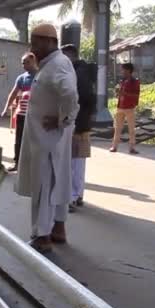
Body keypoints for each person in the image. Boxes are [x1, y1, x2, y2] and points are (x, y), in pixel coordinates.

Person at [16, 24, 79, 253]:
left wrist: (64, 119)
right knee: (58, 182)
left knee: (43, 185)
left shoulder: (57, 65)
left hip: (47, 139)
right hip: (51, 139)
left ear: (49, 41)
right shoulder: (50, 65)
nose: (32, 47)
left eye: (35, 42)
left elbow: (70, 94)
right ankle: (58, 229)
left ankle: (41, 236)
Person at [61, 44, 96, 210]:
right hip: (78, 122)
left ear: (69, 56)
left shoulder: (79, 73)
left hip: (78, 123)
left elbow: (85, 98)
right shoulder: (78, 71)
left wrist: (76, 119)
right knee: (75, 161)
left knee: (75, 161)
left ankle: (74, 196)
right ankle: (77, 194)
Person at [1, 52, 38, 172]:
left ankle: (33, 165)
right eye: (23, 63)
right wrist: (6, 107)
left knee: (34, 140)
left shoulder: (41, 76)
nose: (24, 65)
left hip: (36, 115)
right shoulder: (22, 78)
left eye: (27, 62)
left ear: (34, 61)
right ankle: (17, 163)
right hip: (22, 114)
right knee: (19, 139)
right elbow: (13, 93)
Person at [110, 63, 140, 154]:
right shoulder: (122, 81)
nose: (121, 71)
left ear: (128, 70)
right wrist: (118, 93)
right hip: (120, 107)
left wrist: (124, 93)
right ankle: (114, 146)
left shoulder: (135, 82)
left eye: (123, 70)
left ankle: (132, 147)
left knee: (131, 129)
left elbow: (136, 95)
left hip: (129, 107)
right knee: (117, 128)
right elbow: (120, 94)